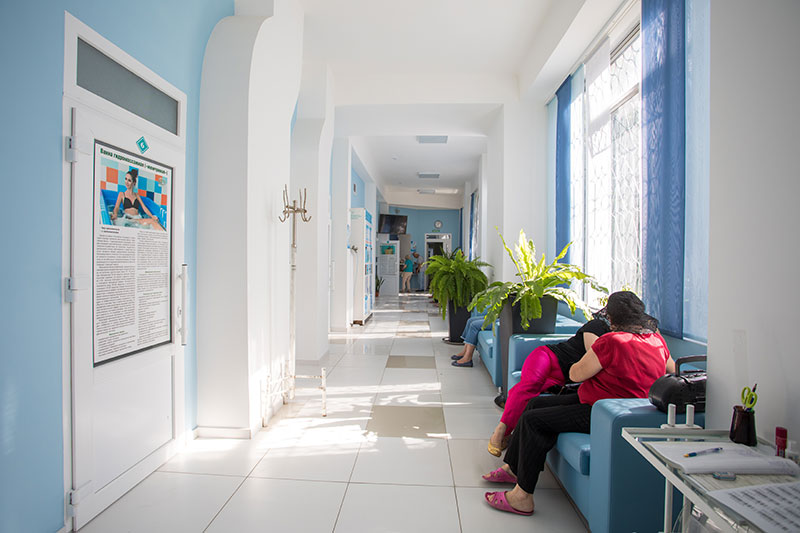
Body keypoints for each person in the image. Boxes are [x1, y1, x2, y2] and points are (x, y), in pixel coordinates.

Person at [481, 291, 676, 516]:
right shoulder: (656, 340)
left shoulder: (611, 341)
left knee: (533, 421)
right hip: (615, 404)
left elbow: (575, 374)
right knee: (534, 404)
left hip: (601, 411)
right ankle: (513, 469)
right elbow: (671, 369)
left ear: (612, 317)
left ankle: (522, 496)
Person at [486, 314, 610, 456]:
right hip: (548, 357)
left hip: (562, 380)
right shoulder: (597, 325)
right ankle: (501, 431)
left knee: (530, 393)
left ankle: (510, 434)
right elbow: (594, 354)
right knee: (531, 385)